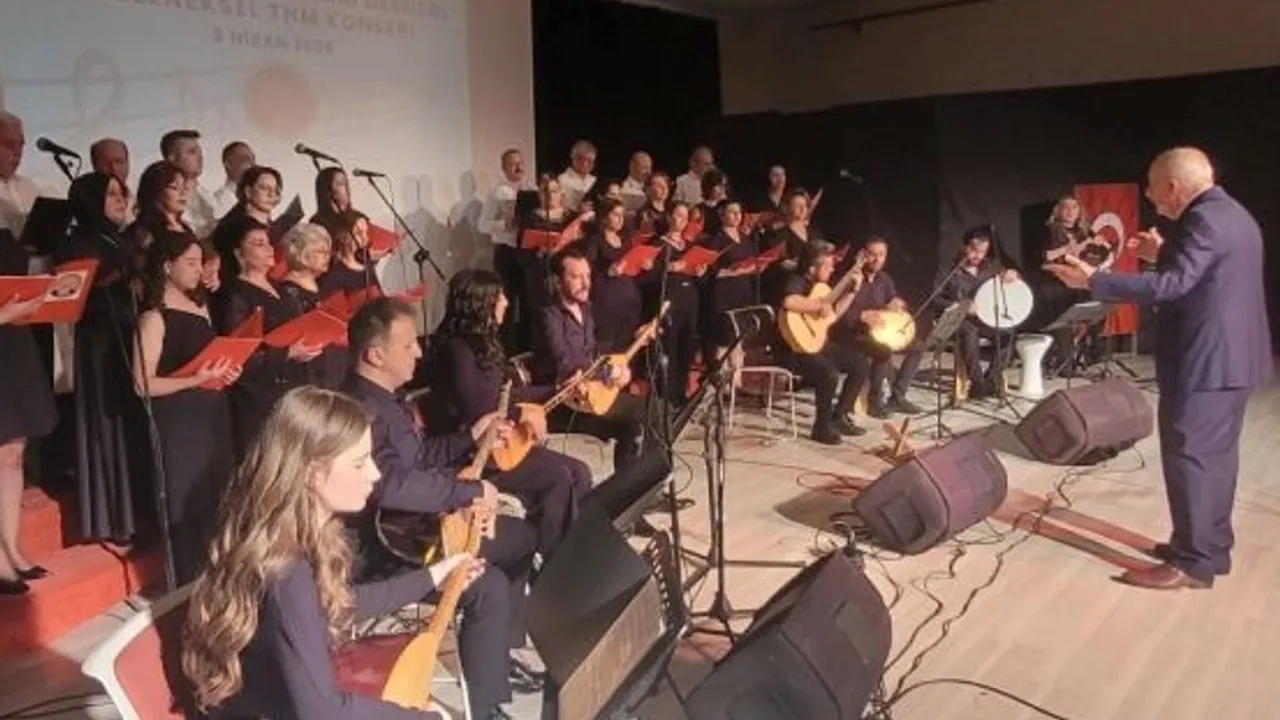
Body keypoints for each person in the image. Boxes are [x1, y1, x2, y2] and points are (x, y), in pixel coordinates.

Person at [182, 385, 482, 719]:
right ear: (312, 473)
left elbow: (337, 606)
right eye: (359, 463)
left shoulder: (285, 532)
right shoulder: (287, 572)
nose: (375, 474)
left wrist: (434, 577)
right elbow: (322, 712)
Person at [1048, 147, 1272, 591]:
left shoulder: (1204, 220)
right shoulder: (1230, 213)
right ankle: (1209, 548)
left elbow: (1175, 285)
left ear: (1172, 186)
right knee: (1215, 459)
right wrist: (1164, 253)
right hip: (1232, 359)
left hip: (1207, 361)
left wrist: (1093, 279)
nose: (1151, 200)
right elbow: (1205, 276)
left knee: (1191, 457)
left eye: (1152, 191)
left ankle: (1193, 563)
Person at [343, 297, 538, 717]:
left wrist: (471, 436)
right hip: (388, 550)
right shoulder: (360, 409)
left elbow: (417, 460)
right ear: (375, 355)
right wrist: (466, 493)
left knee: (519, 541)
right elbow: (390, 485)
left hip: (414, 530)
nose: (418, 351)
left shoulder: (385, 399)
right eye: (408, 344)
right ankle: (486, 703)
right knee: (489, 585)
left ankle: (497, 658)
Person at [426, 270, 593, 556]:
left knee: (580, 473)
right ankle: (552, 559)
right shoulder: (457, 353)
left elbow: (509, 394)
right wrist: (523, 415)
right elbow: (480, 411)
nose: (505, 302)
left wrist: (558, 390)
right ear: (481, 303)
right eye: (499, 296)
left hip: (502, 441)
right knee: (558, 478)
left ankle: (564, 548)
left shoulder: (485, 344)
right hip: (476, 454)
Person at [537, 248, 649, 469]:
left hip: (590, 393)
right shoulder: (548, 315)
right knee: (644, 412)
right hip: (564, 401)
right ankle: (633, 483)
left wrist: (631, 346)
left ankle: (637, 482)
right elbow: (565, 361)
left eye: (587, 276)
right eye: (576, 277)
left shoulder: (586, 308)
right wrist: (607, 372)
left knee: (643, 419)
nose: (586, 284)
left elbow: (594, 353)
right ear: (557, 281)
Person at [779, 240, 866, 444]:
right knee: (829, 374)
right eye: (828, 265)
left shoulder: (822, 288)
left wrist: (852, 291)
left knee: (860, 363)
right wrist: (817, 305)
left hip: (818, 343)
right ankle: (821, 428)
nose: (832, 269)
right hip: (796, 350)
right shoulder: (797, 280)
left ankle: (840, 415)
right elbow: (789, 302)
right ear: (812, 268)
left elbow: (833, 315)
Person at [837, 237, 925, 417]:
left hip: (880, 330)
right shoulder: (850, 277)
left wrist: (898, 304)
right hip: (853, 331)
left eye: (881, 254)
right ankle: (875, 401)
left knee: (918, 346)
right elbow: (837, 312)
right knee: (883, 350)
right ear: (863, 255)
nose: (877, 259)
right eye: (872, 254)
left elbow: (893, 300)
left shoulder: (884, 279)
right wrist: (862, 316)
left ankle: (897, 396)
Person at [934, 228, 1020, 399]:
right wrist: (961, 305)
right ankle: (977, 383)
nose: (978, 256)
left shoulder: (990, 266)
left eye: (982, 252)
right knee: (969, 332)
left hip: (983, 318)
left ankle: (991, 379)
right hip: (957, 318)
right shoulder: (948, 270)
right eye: (974, 250)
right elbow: (935, 299)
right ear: (964, 247)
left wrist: (1012, 273)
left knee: (1008, 334)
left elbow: (1007, 276)